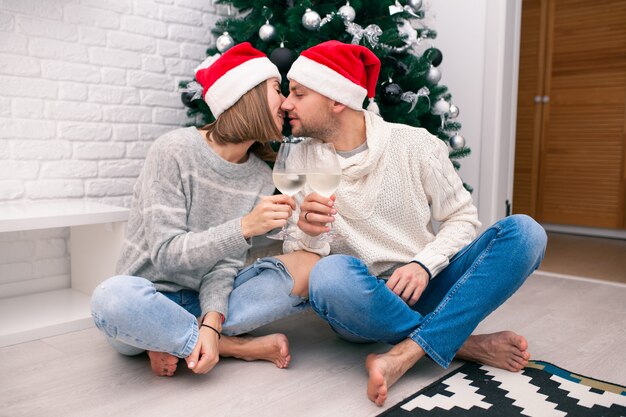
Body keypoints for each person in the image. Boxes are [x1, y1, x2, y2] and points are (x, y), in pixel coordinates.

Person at [279, 40, 548, 406]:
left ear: (336, 100)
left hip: (426, 283)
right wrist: (308, 235)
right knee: (328, 276)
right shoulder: (298, 158)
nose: (285, 103)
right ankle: (462, 343)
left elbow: (462, 218)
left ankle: (403, 354)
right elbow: (298, 256)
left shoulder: (415, 145)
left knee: (526, 233)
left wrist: (425, 264)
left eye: (297, 93)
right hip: (362, 299)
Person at [90, 42, 318, 377]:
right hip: (148, 297)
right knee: (111, 298)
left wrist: (211, 321)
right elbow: (166, 254)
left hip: (203, 301)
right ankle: (231, 346)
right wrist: (244, 227)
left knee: (306, 268)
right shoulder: (174, 151)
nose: (285, 103)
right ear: (246, 95)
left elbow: (223, 266)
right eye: (276, 89)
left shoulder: (258, 173)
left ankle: (178, 338)